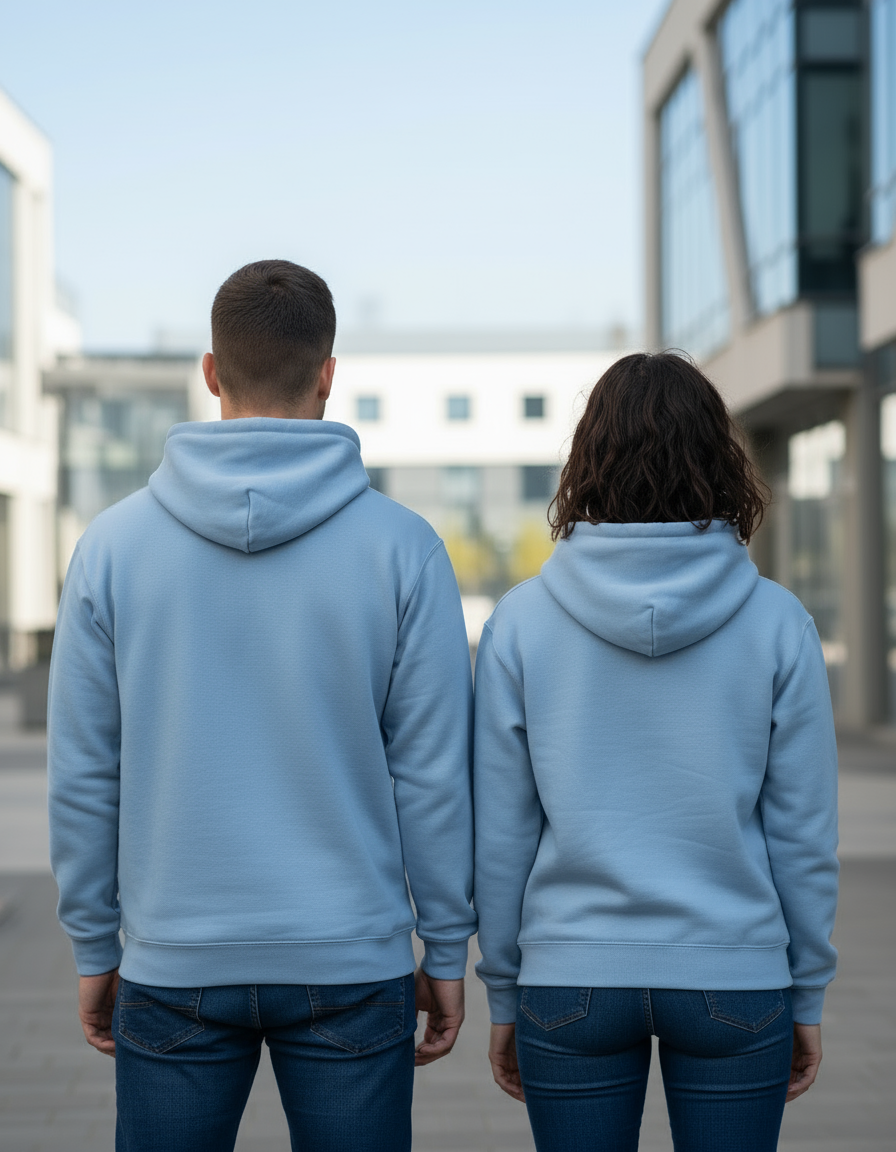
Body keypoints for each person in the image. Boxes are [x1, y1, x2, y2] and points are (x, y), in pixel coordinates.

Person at [48, 259, 476, 1152]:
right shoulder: (405, 548)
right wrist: (445, 947)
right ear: (328, 374)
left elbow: (85, 771)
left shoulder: (112, 548)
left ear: (211, 372)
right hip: (352, 961)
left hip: (173, 960)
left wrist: (94, 943)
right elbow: (432, 776)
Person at [473, 351, 838, 1152]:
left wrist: (503, 988)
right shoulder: (779, 622)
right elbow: (803, 834)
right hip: (734, 974)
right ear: (720, 459)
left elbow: (500, 833)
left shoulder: (521, 622)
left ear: (587, 460)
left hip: (569, 977)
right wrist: (806, 990)